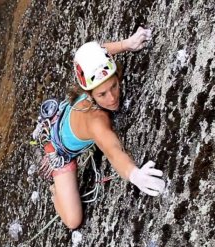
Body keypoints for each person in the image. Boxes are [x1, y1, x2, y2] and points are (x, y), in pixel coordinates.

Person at [39, 27, 166, 229]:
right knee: (73, 221)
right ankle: (56, 192)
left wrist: (127, 44)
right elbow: (113, 150)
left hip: (61, 116)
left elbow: (96, 51)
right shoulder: (96, 120)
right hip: (59, 150)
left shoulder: (91, 75)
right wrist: (134, 174)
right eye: (102, 95)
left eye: (114, 86)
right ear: (89, 95)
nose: (112, 98)